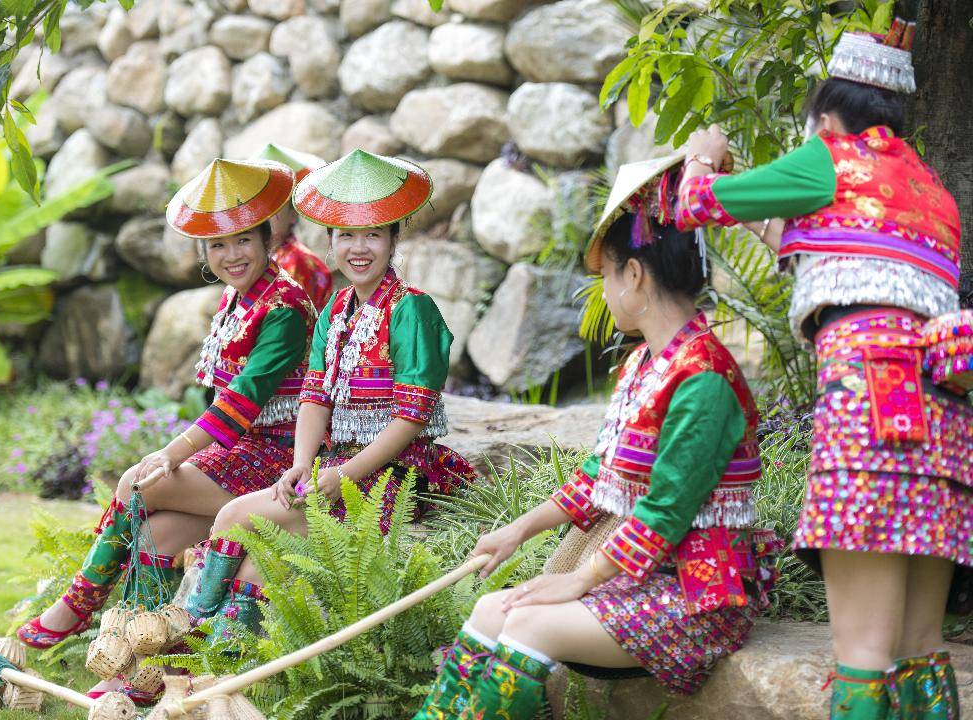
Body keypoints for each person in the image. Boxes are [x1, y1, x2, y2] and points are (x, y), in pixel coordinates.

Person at [674, 19, 972, 719]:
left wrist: (701, 157)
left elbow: (693, 206)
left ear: (825, 115)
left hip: (870, 411)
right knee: (922, 644)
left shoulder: (830, 158)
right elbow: (827, 250)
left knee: (864, 651)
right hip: (945, 423)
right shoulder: (930, 191)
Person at [410, 156, 779, 719]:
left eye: (606, 276)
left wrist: (579, 580)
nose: (604, 292)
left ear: (634, 276)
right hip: (641, 581)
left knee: (529, 620)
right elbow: (600, 477)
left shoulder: (704, 378)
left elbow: (664, 511)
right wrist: (518, 529)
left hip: (696, 594)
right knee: (490, 610)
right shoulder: (644, 365)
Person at [16, 158, 317, 701]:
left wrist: (173, 451)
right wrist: (179, 452)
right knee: (156, 535)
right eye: (218, 246)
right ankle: (143, 659)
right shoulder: (236, 300)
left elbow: (243, 402)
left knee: (138, 482)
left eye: (243, 240)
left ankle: (79, 606)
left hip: (278, 459)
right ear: (203, 253)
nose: (232, 255)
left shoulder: (286, 307)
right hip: (240, 453)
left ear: (267, 237)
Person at [183, 149, 478, 635]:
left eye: (373, 235)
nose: (358, 248)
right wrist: (302, 464)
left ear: (392, 240)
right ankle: (217, 669)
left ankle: (184, 641)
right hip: (335, 466)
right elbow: (315, 398)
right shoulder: (337, 309)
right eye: (346, 235)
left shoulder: (412, 311)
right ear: (331, 241)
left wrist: (343, 474)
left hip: (394, 475)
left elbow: (411, 418)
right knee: (255, 567)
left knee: (236, 514)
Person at [250, 143, 334, 309]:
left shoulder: (297, 263)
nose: (264, 217)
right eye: (256, 207)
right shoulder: (261, 257)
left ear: (293, 213)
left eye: (274, 207)